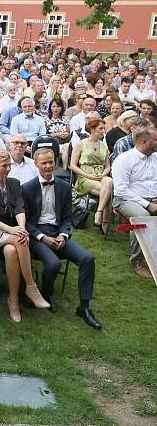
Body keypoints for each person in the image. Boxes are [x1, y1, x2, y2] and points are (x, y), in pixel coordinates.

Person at [22, 149, 101, 329]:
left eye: (51, 162)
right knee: (53, 264)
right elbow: (25, 221)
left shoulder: (64, 186)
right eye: (44, 163)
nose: (49, 166)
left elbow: (67, 217)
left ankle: (84, 306)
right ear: (36, 165)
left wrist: (63, 235)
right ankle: (46, 293)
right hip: (37, 236)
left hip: (58, 233)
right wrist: (43, 238)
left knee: (87, 259)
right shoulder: (27, 188)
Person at [0, 149, 50, 322]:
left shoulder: (14, 184)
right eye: (3, 166)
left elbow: (19, 208)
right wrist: (13, 230)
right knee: (18, 239)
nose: (8, 169)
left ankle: (13, 300)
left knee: (11, 251)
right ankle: (31, 286)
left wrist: (21, 227)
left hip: (11, 232)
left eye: (9, 165)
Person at [111, 125, 157, 278]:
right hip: (125, 200)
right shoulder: (124, 160)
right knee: (142, 216)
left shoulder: (156, 158)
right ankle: (136, 261)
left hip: (152, 199)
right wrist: (148, 204)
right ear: (144, 141)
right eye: (156, 140)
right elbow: (121, 191)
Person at [70, 118, 113, 232]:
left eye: (104, 128)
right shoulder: (81, 144)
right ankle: (104, 222)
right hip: (85, 177)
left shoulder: (104, 145)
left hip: (101, 176)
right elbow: (73, 165)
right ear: (93, 129)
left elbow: (108, 166)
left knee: (108, 182)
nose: (104, 131)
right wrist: (88, 176)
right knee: (109, 192)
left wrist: (103, 174)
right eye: (101, 128)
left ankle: (98, 213)